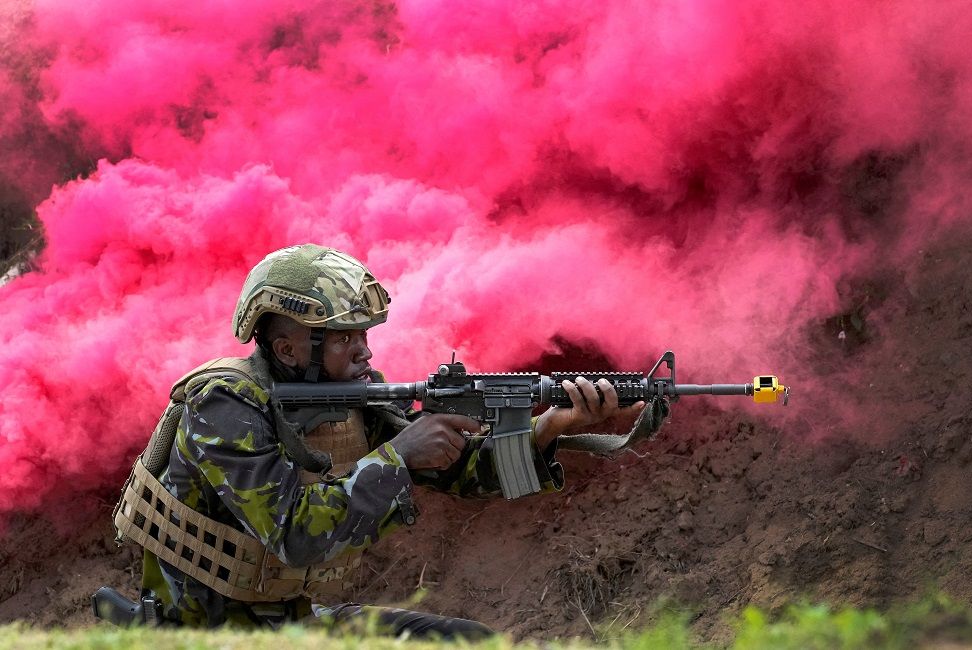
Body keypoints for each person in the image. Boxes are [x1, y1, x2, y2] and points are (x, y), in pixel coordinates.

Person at [111, 244, 647, 638]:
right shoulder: (224, 405)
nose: (365, 353)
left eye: (365, 335)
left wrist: (550, 426)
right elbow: (294, 534)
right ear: (291, 349)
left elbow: (460, 472)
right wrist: (400, 455)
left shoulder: (348, 393)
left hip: (289, 625)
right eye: (346, 338)